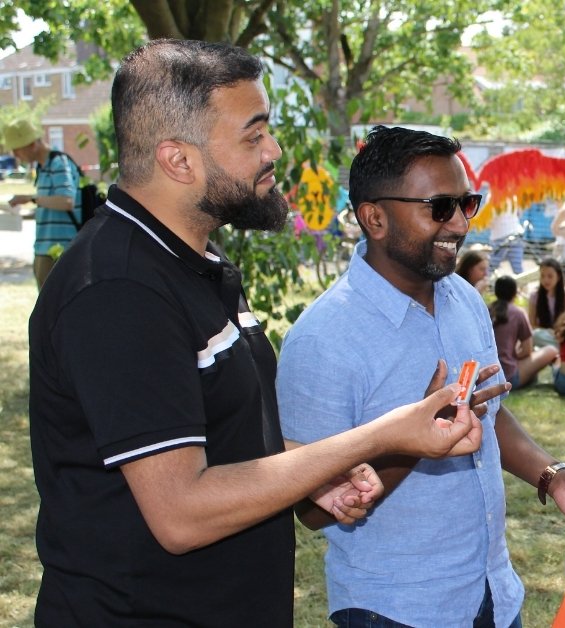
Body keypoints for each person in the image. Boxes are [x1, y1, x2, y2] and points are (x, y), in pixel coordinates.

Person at [26, 40, 485, 627]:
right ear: (179, 160)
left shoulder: (194, 263)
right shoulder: (119, 290)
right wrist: (378, 438)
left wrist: (316, 473)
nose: (274, 150)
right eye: (253, 135)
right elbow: (181, 513)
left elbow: (225, 437)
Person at [275, 125, 565, 628]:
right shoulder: (323, 340)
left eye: (467, 202)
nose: (462, 223)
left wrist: (551, 476)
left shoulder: (462, 298)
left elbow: (483, 411)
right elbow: (312, 511)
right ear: (374, 217)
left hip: (492, 591)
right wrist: (417, 441)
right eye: (440, 207)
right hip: (397, 609)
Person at [4, 117, 82, 289]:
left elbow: (66, 201)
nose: (15, 155)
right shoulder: (41, 167)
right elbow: (51, 208)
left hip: (60, 251)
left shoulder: (58, 162)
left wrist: (31, 199)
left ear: (32, 144)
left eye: (17, 149)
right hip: (43, 249)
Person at [492, 274, 557, 390]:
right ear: (515, 293)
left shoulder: (486, 310)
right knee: (551, 350)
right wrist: (513, 355)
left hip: (487, 377)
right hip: (508, 376)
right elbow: (527, 350)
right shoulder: (518, 313)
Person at [528, 256, 565, 348]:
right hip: (543, 335)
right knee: (535, 335)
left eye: (550, 276)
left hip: (562, 336)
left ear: (558, 276)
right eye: (543, 276)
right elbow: (532, 324)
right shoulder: (535, 295)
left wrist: (558, 332)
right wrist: (546, 331)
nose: (546, 280)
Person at [489, 209, 526, 274]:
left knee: (518, 270)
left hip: (514, 236)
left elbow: (519, 212)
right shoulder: (492, 199)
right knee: (490, 268)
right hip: (500, 237)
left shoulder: (514, 198)